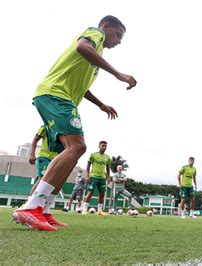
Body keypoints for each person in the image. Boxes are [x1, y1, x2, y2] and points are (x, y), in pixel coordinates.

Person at [13, 15, 136, 231]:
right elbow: (81, 47)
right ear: (106, 27)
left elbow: (82, 85)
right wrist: (118, 74)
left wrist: (100, 104)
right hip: (56, 95)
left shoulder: (96, 53)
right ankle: (30, 208)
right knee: (78, 147)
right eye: (118, 35)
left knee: (69, 155)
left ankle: (43, 209)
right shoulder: (95, 34)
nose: (119, 41)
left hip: (59, 97)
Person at [26, 126, 66, 226]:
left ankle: (45, 212)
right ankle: (28, 208)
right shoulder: (45, 126)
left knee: (55, 184)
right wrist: (31, 154)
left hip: (56, 159)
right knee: (41, 180)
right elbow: (35, 140)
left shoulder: (62, 128)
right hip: (44, 157)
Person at [82, 141, 112, 215]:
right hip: (94, 177)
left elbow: (108, 168)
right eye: (102, 145)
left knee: (102, 194)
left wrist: (108, 177)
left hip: (102, 178)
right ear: (99, 146)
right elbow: (88, 166)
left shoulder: (107, 157)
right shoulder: (93, 155)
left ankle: (99, 211)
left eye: (105, 146)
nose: (104, 147)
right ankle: (84, 210)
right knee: (90, 192)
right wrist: (87, 176)